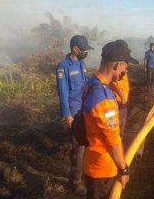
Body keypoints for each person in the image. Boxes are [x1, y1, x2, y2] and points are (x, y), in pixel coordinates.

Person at [83, 41, 139, 199]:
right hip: (103, 169)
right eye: (125, 66)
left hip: (93, 162)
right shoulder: (104, 98)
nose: (126, 70)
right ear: (118, 65)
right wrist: (123, 169)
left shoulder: (92, 83)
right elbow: (112, 139)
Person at [56, 35, 93, 195]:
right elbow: (63, 93)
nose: (85, 52)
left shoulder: (81, 63)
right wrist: (67, 115)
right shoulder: (63, 66)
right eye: (84, 50)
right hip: (73, 111)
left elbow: (86, 84)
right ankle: (75, 181)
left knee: (87, 142)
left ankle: (84, 172)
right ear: (75, 49)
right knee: (77, 147)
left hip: (84, 109)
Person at [108, 39, 135, 140]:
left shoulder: (123, 70)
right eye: (126, 62)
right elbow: (115, 83)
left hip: (122, 100)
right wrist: (123, 98)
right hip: (119, 101)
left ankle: (119, 139)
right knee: (118, 123)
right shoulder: (118, 71)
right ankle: (118, 139)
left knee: (121, 122)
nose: (127, 65)